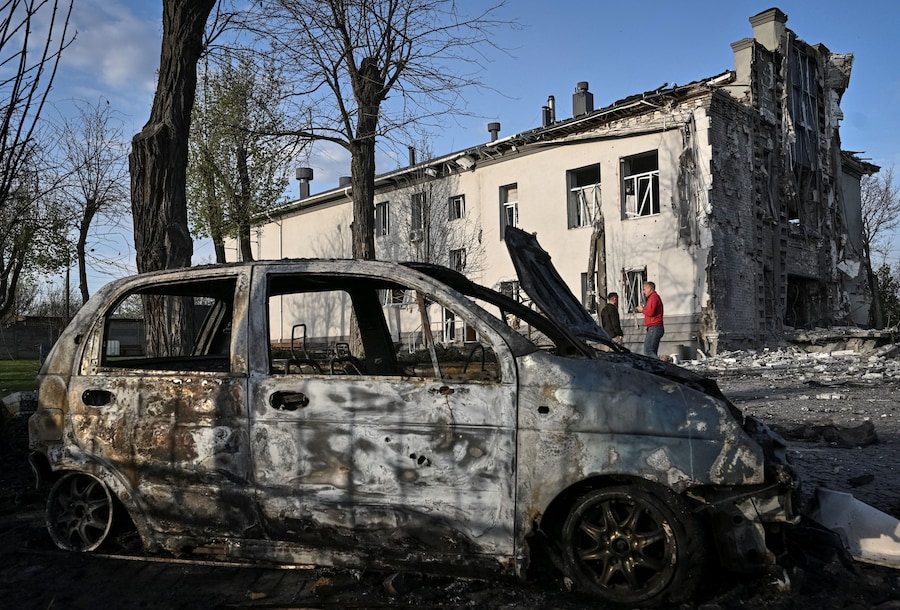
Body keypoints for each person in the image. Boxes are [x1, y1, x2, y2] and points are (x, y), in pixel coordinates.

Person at [636, 281, 664, 358]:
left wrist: (642, 310)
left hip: (654, 327)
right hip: (655, 327)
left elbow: (651, 312)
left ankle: (658, 366)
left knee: (648, 351)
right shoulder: (654, 297)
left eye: (644, 289)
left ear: (649, 288)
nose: (643, 292)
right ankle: (656, 367)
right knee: (652, 351)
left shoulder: (653, 297)